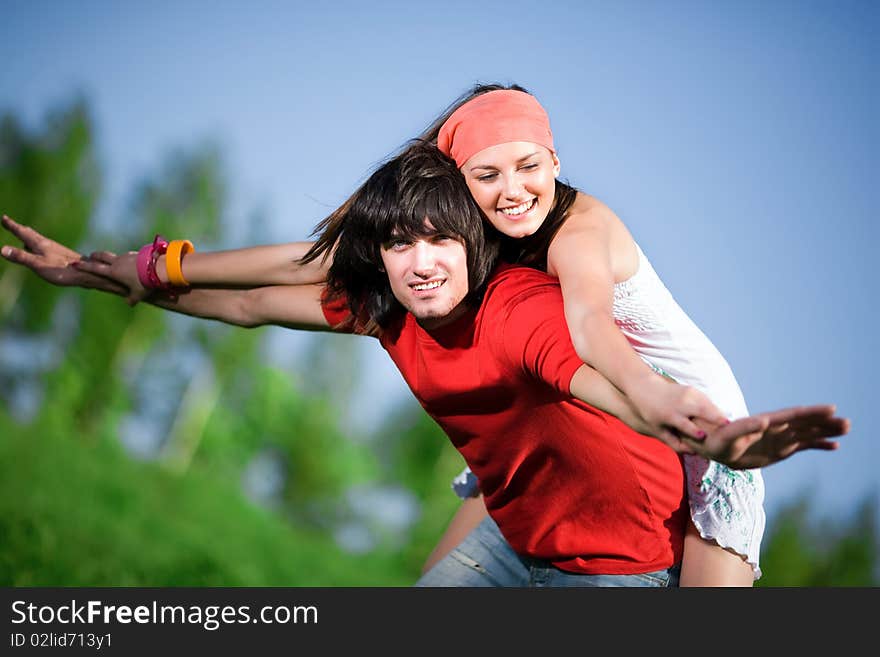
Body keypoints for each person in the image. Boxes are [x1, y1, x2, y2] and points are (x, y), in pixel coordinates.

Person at [0, 143, 849, 587]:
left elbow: (624, 386)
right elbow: (251, 300)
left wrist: (723, 439)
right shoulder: (386, 308)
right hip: (518, 535)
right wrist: (102, 272)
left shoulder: (521, 311)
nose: (421, 260)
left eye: (442, 236)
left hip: (625, 566)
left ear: (477, 242)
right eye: (399, 242)